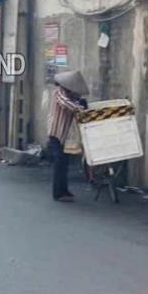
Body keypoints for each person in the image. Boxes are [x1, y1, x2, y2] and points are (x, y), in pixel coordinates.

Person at [47, 70, 89, 203]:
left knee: (64, 164)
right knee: (60, 163)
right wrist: (81, 107)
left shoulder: (69, 95)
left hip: (64, 134)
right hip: (56, 133)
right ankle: (58, 193)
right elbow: (67, 104)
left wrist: (79, 102)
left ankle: (64, 190)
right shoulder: (59, 93)